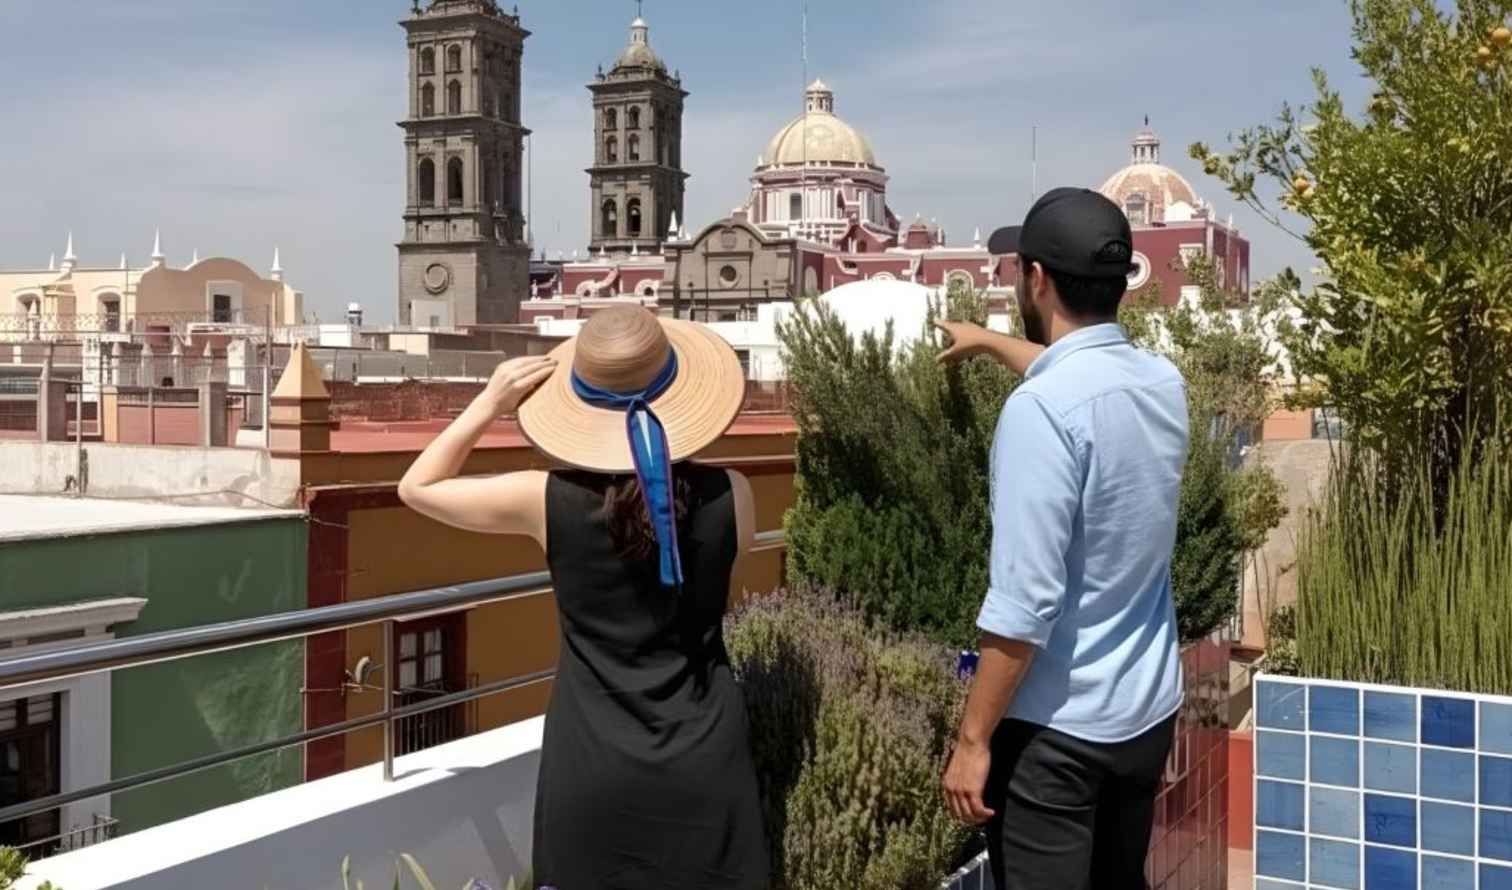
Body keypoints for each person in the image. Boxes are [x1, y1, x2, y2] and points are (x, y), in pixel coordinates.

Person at [398, 305, 770, 890]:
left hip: (592, 761)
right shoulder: (734, 493)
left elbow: (416, 486)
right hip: (705, 758)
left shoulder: (543, 500)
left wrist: (491, 402)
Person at [935, 188, 1188, 889]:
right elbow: (1077, 375)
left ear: (1036, 279)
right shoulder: (1161, 382)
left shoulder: (1041, 412)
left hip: (1059, 738)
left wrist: (972, 741)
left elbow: (1024, 603)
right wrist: (988, 342)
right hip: (1144, 717)